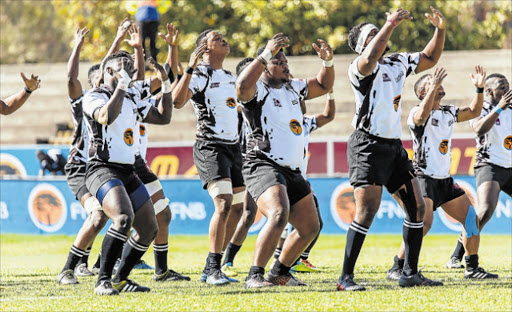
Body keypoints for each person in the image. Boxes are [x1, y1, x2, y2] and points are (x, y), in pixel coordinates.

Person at [337, 6, 446, 291]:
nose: (379, 36)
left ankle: (409, 273)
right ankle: (345, 277)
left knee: (417, 206)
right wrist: (389, 23)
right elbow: (372, 54)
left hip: (392, 146)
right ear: (362, 45)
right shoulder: (359, 67)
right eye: (371, 34)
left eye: (379, 31)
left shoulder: (397, 61)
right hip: (367, 144)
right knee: (367, 210)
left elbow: (430, 57)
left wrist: (440, 30)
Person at [236, 33, 334, 288]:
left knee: (310, 226)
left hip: (292, 170)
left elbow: (323, 86)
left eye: (285, 60)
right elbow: (241, 88)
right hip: (263, 163)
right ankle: (254, 276)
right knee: (279, 213)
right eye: (277, 61)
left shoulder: (293, 87)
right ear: (265, 64)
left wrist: (327, 63)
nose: (284, 64)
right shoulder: (258, 90)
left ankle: (279, 272)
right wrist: (265, 53)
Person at [386, 66, 498, 280]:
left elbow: (474, 112)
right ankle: (397, 266)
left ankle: (471, 268)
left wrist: (479, 88)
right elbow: (420, 118)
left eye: (437, 81)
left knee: (471, 218)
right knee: (422, 224)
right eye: (431, 82)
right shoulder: (416, 113)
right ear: (422, 93)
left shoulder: (448, 112)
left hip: (444, 181)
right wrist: (432, 87)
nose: (438, 83)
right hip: (423, 178)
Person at [83, 53, 172, 295]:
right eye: (122, 66)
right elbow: (106, 116)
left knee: (149, 229)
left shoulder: (132, 97)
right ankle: (103, 280)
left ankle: (120, 279)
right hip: (101, 169)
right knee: (123, 219)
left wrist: (165, 85)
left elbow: (163, 117)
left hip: (127, 170)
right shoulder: (94, 96)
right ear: (108, 72)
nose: (128, 69)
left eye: (130, 66)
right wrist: (122, 85)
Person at [172, 30, 246, 285]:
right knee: (224, 203)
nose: (225, 39)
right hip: (210, 146)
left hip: (233, 148)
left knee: (238, 208)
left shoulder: (230, 76)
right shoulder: (200, 73)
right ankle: (215, 268)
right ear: (205, 47)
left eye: (225, 36)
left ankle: (210, 267)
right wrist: (189, 68)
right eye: (217, 38)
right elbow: (177, 101)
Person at [130, 23, 190, 282]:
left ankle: (161, 270)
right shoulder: (111, 97)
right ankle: (97, 265)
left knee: (163, 214)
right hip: (115, 165)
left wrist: (172, 47)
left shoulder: (142, 100)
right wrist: (137, 50)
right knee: (122, 218)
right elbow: (138, 74)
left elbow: (168, 75)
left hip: (139, 165)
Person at [56, 27, 110, 285]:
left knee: (121, 213)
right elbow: (70, 77)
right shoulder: (85, 100)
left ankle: (88, 263)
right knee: (99, 214)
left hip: (103, 168)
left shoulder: (115, 100)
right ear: (92, 81)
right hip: (80, 168)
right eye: (101, 75)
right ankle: (69, 268)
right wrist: (78, 44)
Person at [446, 74, 512, 268]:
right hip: (490, 165)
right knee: (485, 209)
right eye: (502, 87)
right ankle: (457, 256)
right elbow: (479, 129)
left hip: (510, 165)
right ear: (489, 91)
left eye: (508, 85)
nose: (506, 89)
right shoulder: (481, 108)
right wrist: (500, 107)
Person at [219, 57, 259, 278]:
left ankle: (287, 259)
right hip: (245, 160)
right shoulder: (239, 99)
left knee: (251, 213)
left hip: (265, 159)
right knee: (244, 212)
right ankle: (223, 261)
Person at [289, 90, 335, 273]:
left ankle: (298, 259)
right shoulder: (281, 122)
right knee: (281, 222)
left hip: (301, 180)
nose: (301, 103)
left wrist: (330, 94)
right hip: (282, 177)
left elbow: (328, 116)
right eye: (297, 101)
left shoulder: (305, 123)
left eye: (302, 100)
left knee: (315, 223)